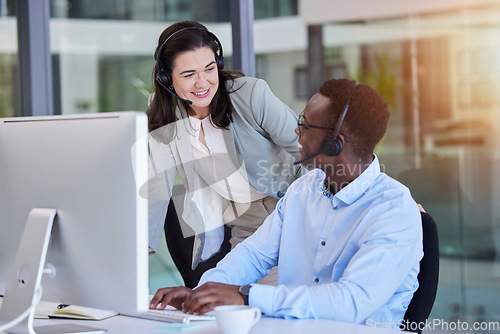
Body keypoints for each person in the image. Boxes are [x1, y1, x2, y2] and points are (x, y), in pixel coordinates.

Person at [149, 78, 423, 326]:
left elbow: (350, 303)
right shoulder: (303, 189)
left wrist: (247, 297)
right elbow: (255, 254)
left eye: (305, 124)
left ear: (334, 144)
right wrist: (205, 292)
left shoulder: (393, 210)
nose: (296, 130)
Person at [144, 21, 306, 285]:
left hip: (290, 207)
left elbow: (310, 152)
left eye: (209, 69)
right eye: (188, 74)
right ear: (166, 78)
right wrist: (140, 248)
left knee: (275, 303)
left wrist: (320, 209)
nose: (203, 82)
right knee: (237, 299)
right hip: (245, 221)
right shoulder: (164, 113)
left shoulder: (250, 95)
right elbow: (157, 185)